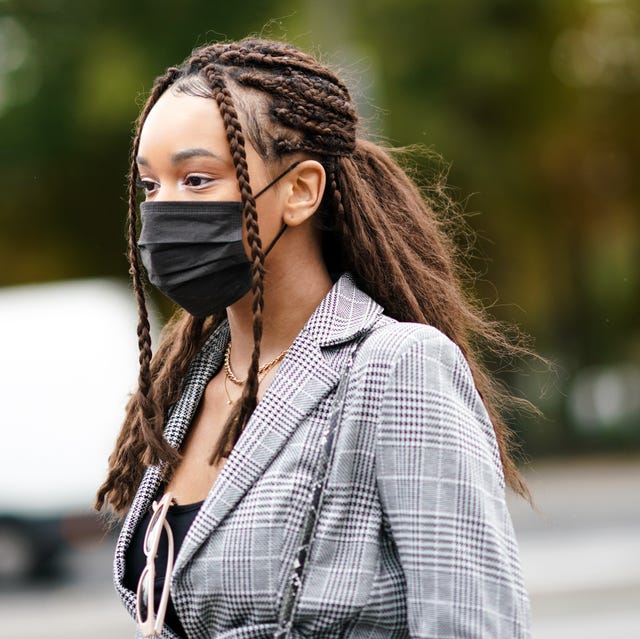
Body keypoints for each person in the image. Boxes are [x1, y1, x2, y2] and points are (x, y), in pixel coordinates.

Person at [96, 38, 532, 639]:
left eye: (197, 180)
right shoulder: (187, 385)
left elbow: (476, 626)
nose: (165, 210)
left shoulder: (397, 368)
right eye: (151, 186)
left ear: (300, 190)